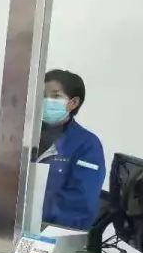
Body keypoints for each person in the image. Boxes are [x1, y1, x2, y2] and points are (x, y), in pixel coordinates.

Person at [38, 69, 105, 230]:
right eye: (42, 95)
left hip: (56, 234)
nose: (46, 101)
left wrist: (34, 217)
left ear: (73, 103)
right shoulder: (27, 136)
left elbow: (78, 204)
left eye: (55, 96)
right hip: (15, 227)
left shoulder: (87, 145)